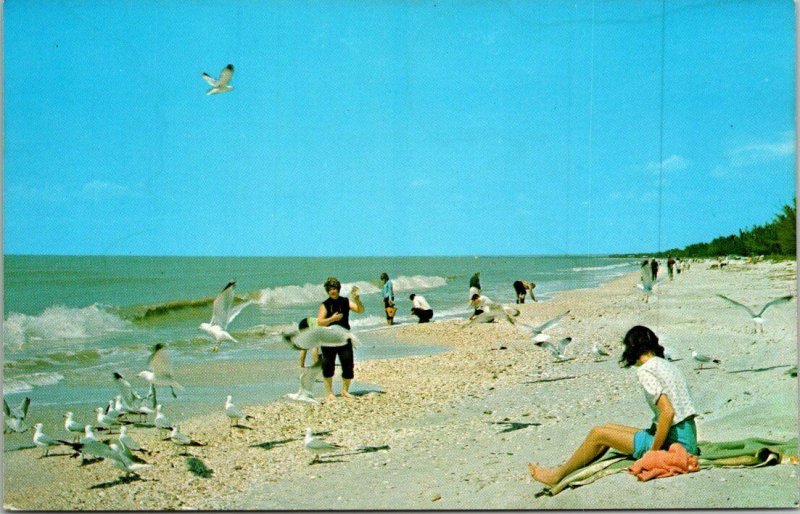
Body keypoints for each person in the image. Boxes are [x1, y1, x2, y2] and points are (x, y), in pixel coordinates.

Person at [528, 325, 699, 487]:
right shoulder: (666, 365)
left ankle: (557, 475)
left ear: (631, 348)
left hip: (676, 444)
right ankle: (570, 467)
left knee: (598, 433)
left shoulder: (646, 370)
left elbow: (667, 413)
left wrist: (652, 453)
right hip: (687, 436)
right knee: (608, 428)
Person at [316, 277, 364, 401]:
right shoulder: (325, 305)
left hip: (344, 337)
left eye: (335, 288)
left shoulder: (345, 301)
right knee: (328, 365)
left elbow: (360, 310)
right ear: (327, 291)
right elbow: (320, 322)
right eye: (331, 289)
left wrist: (357, 300)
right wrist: (332, 319)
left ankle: (345, 391)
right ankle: (329, 393)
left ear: (338, 289)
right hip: (329, 338)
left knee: (348, 363)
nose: (333, 291)